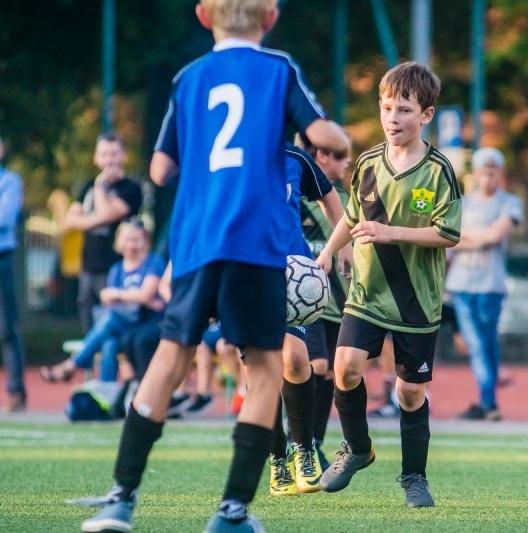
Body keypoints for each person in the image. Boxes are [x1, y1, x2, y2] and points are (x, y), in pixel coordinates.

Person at [71, 1, 349, 531]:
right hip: (257, 244)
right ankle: (232, 512)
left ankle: (121, 499)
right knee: (266, 371)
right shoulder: (278, 68)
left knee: (169, 360)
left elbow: (159, 168)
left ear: (203, 16)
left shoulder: (189, 77)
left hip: (197, 242)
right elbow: (326, 138)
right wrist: (331, 137)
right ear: (270, 18)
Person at [315, 61, 461, 508]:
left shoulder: (439, 171)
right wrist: (324, 255)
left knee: (409, 392)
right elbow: (355, 219)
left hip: (417, 299)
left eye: (403, 110)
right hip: (367, 292)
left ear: (426, 115)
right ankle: (357, 449)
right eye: (386, 108)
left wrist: (392, 232)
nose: (392, 118)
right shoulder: (367, 163)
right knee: (345, 367)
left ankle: (414, 477)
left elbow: (448, 234)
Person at [267, 142, 349, 497]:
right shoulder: (228, 156)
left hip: (293, 277)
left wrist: (341, 244)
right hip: (244, 272)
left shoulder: (295, 157)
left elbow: (329, 197)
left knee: (297, 358)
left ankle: (303, 449)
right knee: (260, 371)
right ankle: (276, 458)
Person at [445, 148, 524, 421]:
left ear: (499, 174)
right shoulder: (462, 203)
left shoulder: (510, 202)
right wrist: (477, 238)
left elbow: (494, 236)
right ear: (475, 174)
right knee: (476, 345)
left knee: (489, 343)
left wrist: (465, 237)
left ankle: (487, 401)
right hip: (462, 284)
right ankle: (489, 403)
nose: (488, 178)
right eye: (483, 172)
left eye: (493, 172)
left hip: (491, 285)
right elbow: (447, 239)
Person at [39, 218, 166, 384]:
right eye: (128, 239)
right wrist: (131, 296)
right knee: (109, 342)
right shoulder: (117, 269)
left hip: (147, 324)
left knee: (110, 321)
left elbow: (144, 296)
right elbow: (108, 299)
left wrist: (119, 294)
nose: (132, 245)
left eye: (136, 239)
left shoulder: (153, 263)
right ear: (119, 241)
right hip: (125, 325)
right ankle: (107, 394)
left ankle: (72, 364)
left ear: (145, 241)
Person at [295, 133, 354, 464]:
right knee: (313, 365)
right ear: (321, 156)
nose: (346, 162)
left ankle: (314, 439)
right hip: (307, 302)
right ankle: (296, 440)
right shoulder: (300, 198)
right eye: (339, 156)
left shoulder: (347, 199)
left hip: (339, 302)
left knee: (331, 372)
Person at [62, 133, 143, 334]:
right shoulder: (87, 186)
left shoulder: (131, 188)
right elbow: (69, 221)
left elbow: (108, 213)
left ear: (123, 156)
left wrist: (101, 187)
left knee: (111, 323)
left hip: (115, 266)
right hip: (88, 265)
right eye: (105, 154)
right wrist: (98, 218)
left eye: (114, 154)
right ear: (96, 158)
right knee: (87, 321)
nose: (109, 160)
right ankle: (89, 365)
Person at [0, 136, 27, 412]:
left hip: (2, 258)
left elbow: (4, 218)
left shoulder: (9, 182)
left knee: (7, 327)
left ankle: (16, 391)